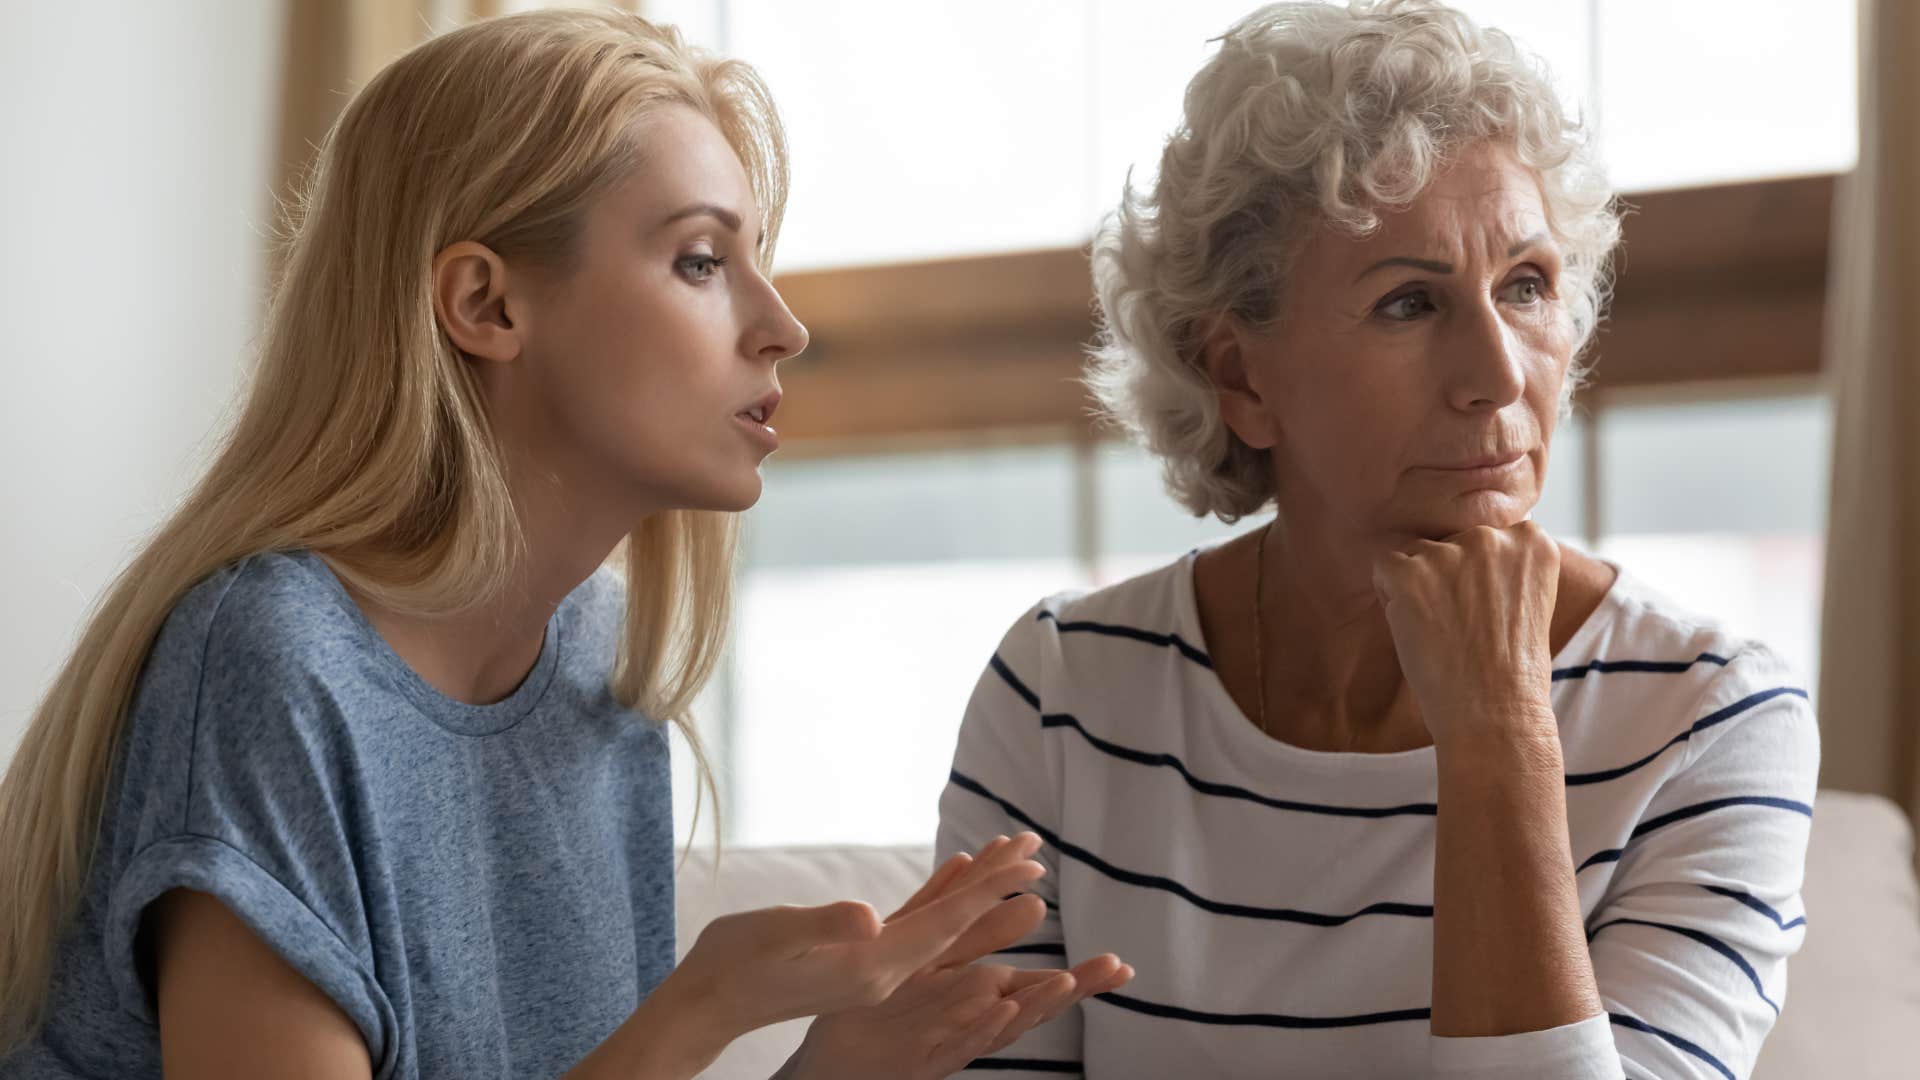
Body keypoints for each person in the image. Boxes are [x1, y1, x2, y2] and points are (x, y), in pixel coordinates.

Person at [0, 10, 1129, 1079]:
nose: (782, 326)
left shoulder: (597, 674)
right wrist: (702, 1008)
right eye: (700, 260)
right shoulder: (271, 663)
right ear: (486, 305)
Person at [936, 2, 1818, 1077]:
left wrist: (1500, 736)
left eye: (1527, 285)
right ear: (1239, 377)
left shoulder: (1711, 717)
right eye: (1409, 303)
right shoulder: (1063, 692)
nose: (1500, 374)